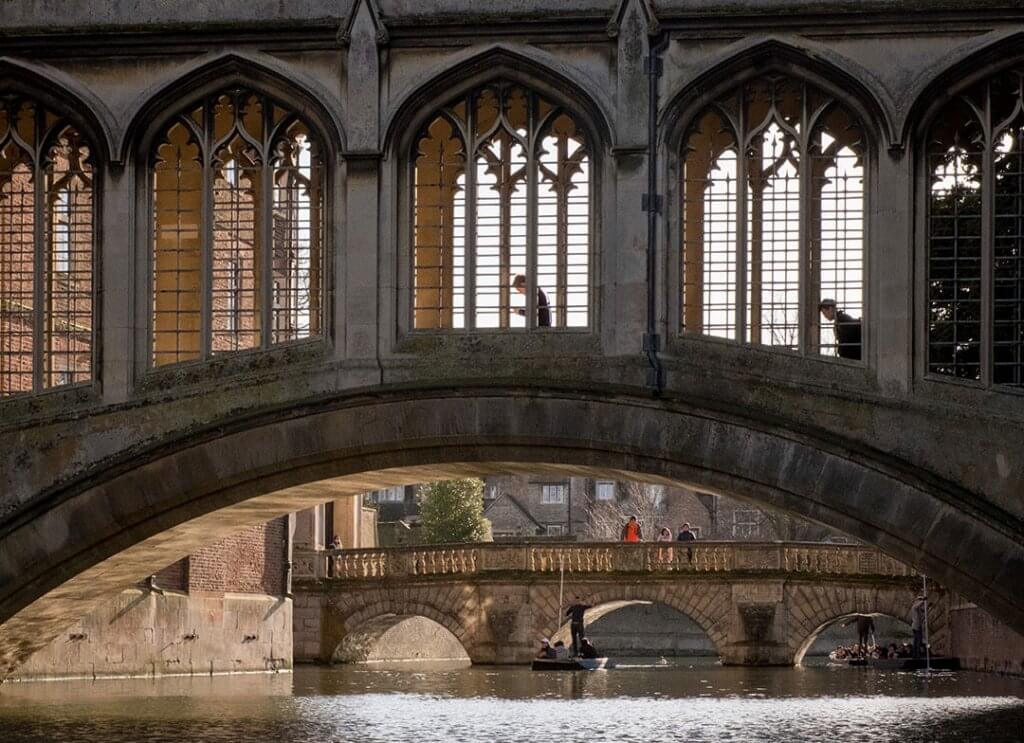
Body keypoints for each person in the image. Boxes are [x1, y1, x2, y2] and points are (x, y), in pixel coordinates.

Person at [910, 594, 927, 659]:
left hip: (918, 626)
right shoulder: (914, 607)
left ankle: (916, 654)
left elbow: (922, 615)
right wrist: (923, 600)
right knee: (918, 641)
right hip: (916, 626)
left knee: (917, 640)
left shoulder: (919, 609)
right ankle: (916, 654)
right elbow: (918, 605)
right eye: (919, 600)